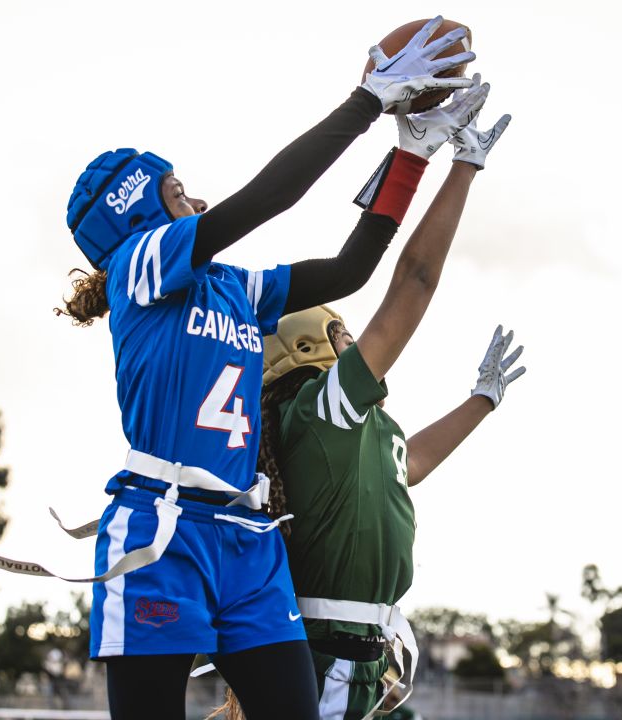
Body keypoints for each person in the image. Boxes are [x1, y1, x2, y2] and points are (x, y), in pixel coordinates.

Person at [0, 17, 476, 720]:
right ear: (138, 211)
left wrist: (412, 157)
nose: (199, 201)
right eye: (179, 192)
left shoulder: (230, 288)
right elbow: (269, 198)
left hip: (246, 536)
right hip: (161, 532)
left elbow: (351, 270)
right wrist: (367, 99)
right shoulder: (138, 267)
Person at [252, 77, 518, 720]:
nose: (356, 337)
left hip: (368, 657)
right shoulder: (321, 409)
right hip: (329, 662)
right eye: (341, 330)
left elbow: (410, 462)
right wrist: (464, 168)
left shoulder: (357, 423)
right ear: (311, 353)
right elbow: (416, 281)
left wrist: (480, 401)